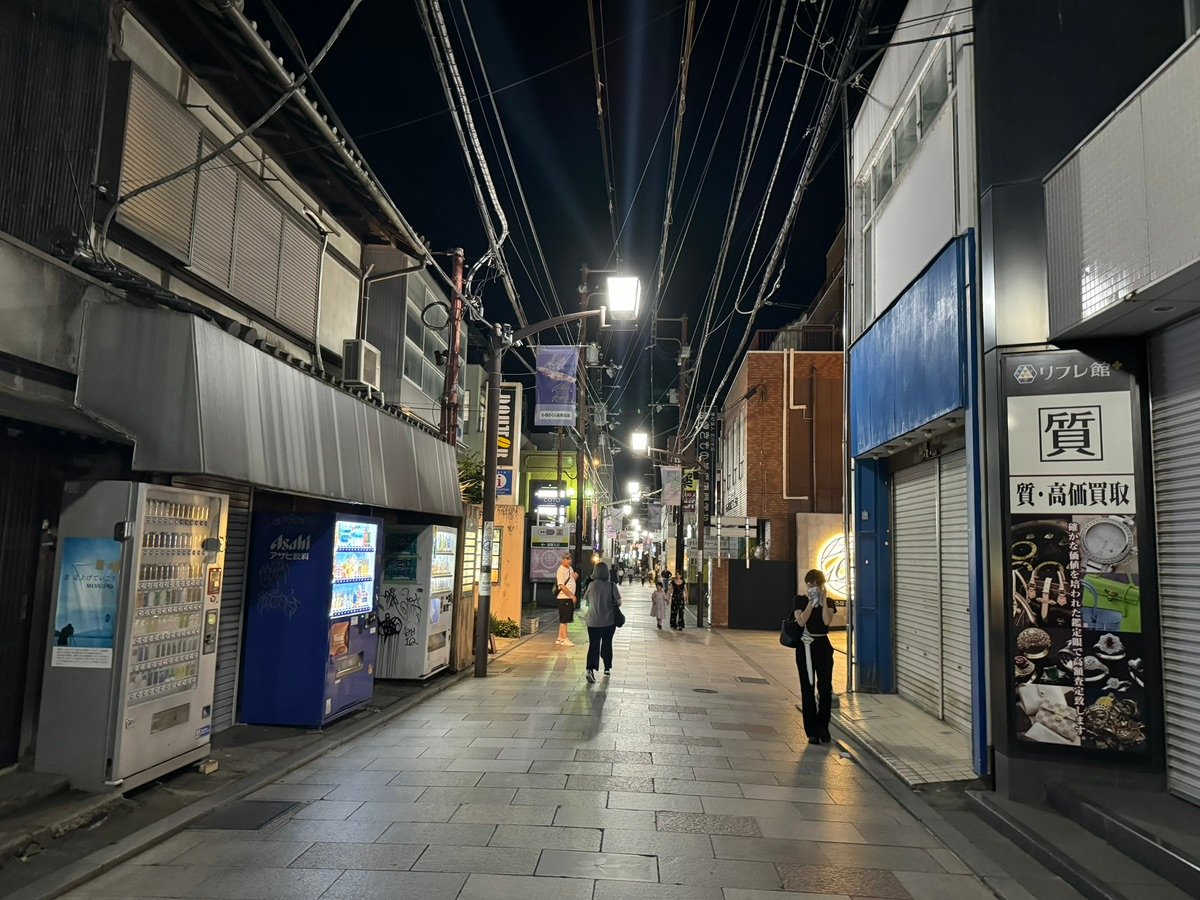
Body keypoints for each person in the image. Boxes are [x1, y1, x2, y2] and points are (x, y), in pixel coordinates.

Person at [794, 568, 836, 744]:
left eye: (816, 585)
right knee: (807, 688)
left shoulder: (829, 602)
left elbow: (827, 621)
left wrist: (823, 600)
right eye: (810, 584)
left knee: (825, 688)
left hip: (823, 646)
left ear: (822, 585)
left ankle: (823, 727)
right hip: (805, 647)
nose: (812, 587)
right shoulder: (799, 600)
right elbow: (801, 621)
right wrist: (811, 603)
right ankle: (811, 731)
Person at [582, 561, 621, 682]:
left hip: (593, 621)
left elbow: (585, 598)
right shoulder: (612, 585)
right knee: (607, 643)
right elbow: (619, 602)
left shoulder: (592, 585)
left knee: (593, 645)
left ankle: (590, 669)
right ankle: (607, 668)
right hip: (609, 621)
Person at [554, 552, 577, 647]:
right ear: (562, 560)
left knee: (565, 618)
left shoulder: (570, 568)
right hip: (564, 597)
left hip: (568, 598)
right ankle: (564, 639)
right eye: (567, 559)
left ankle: (560, 638)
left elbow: (571, 581)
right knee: (564, 619)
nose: (569, 561)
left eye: (570, 559)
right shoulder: (561, 570)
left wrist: (575, 577)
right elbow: (561, 586)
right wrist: (571, 596)